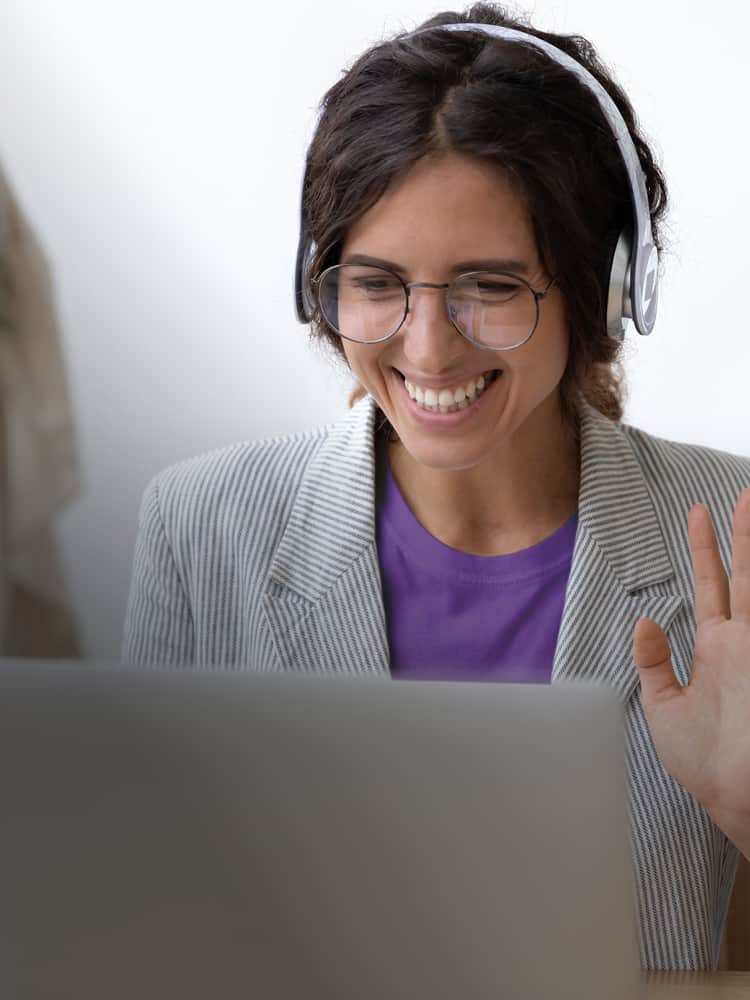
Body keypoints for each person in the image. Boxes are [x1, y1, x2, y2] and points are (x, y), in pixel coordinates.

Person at [122, 2, 750, 973]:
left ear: (605, 291)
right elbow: (128, 930)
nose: (425, 346)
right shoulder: (200, 529)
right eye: (376, 283)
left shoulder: (733, 540)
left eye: (489, 287)